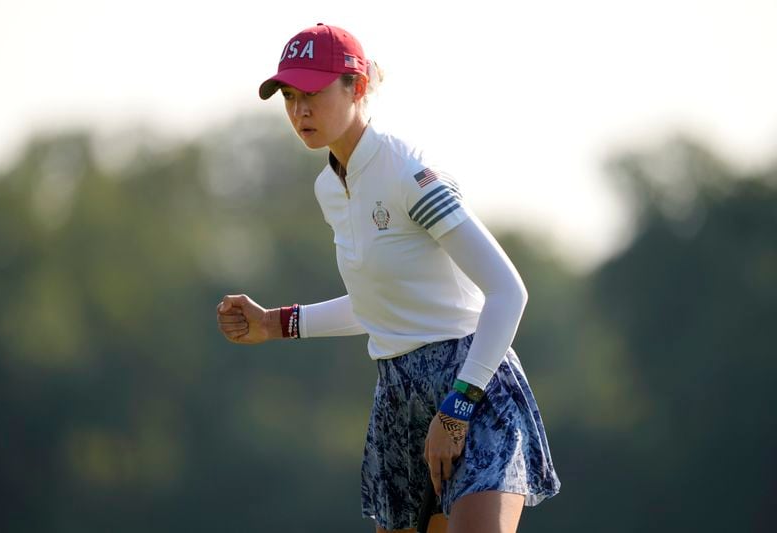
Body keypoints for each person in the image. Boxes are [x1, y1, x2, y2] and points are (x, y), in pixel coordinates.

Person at [216, 23, 560, 533]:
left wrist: (455, 411)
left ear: (356, 89)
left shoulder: (408, 175)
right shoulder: (329, 189)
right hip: (397, 397)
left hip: (472, 382)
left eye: (312, 93)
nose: (299, 110)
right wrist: (276, 323)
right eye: (290, 96)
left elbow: (509, 291)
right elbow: (376, 303)